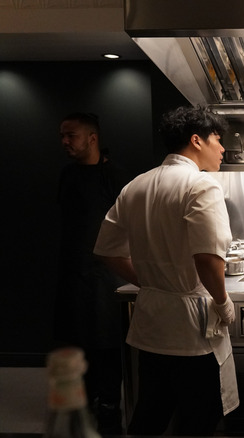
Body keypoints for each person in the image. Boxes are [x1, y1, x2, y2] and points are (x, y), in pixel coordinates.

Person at [93, 106, 238, 436]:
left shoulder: (137, 185)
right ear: (196, 140)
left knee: (151, 416)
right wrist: (221, 301)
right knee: (199, 419)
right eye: (218, 138)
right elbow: (207, 258)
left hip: (152, 322)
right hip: (192, 331)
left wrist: (149, 281)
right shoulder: (201, 186)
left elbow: (106, 251)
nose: (222, 148)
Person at [54, 112, 130, 434]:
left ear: (92, 138)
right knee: (76, 342)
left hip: (105, 276)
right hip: (72, 274)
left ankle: (110, 409)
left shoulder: (113, 176)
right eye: (63, 136)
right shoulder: (67, 176)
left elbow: (128, 229)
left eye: (71, 135)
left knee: (108, 343)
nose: (65, 142)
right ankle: (81, 410)